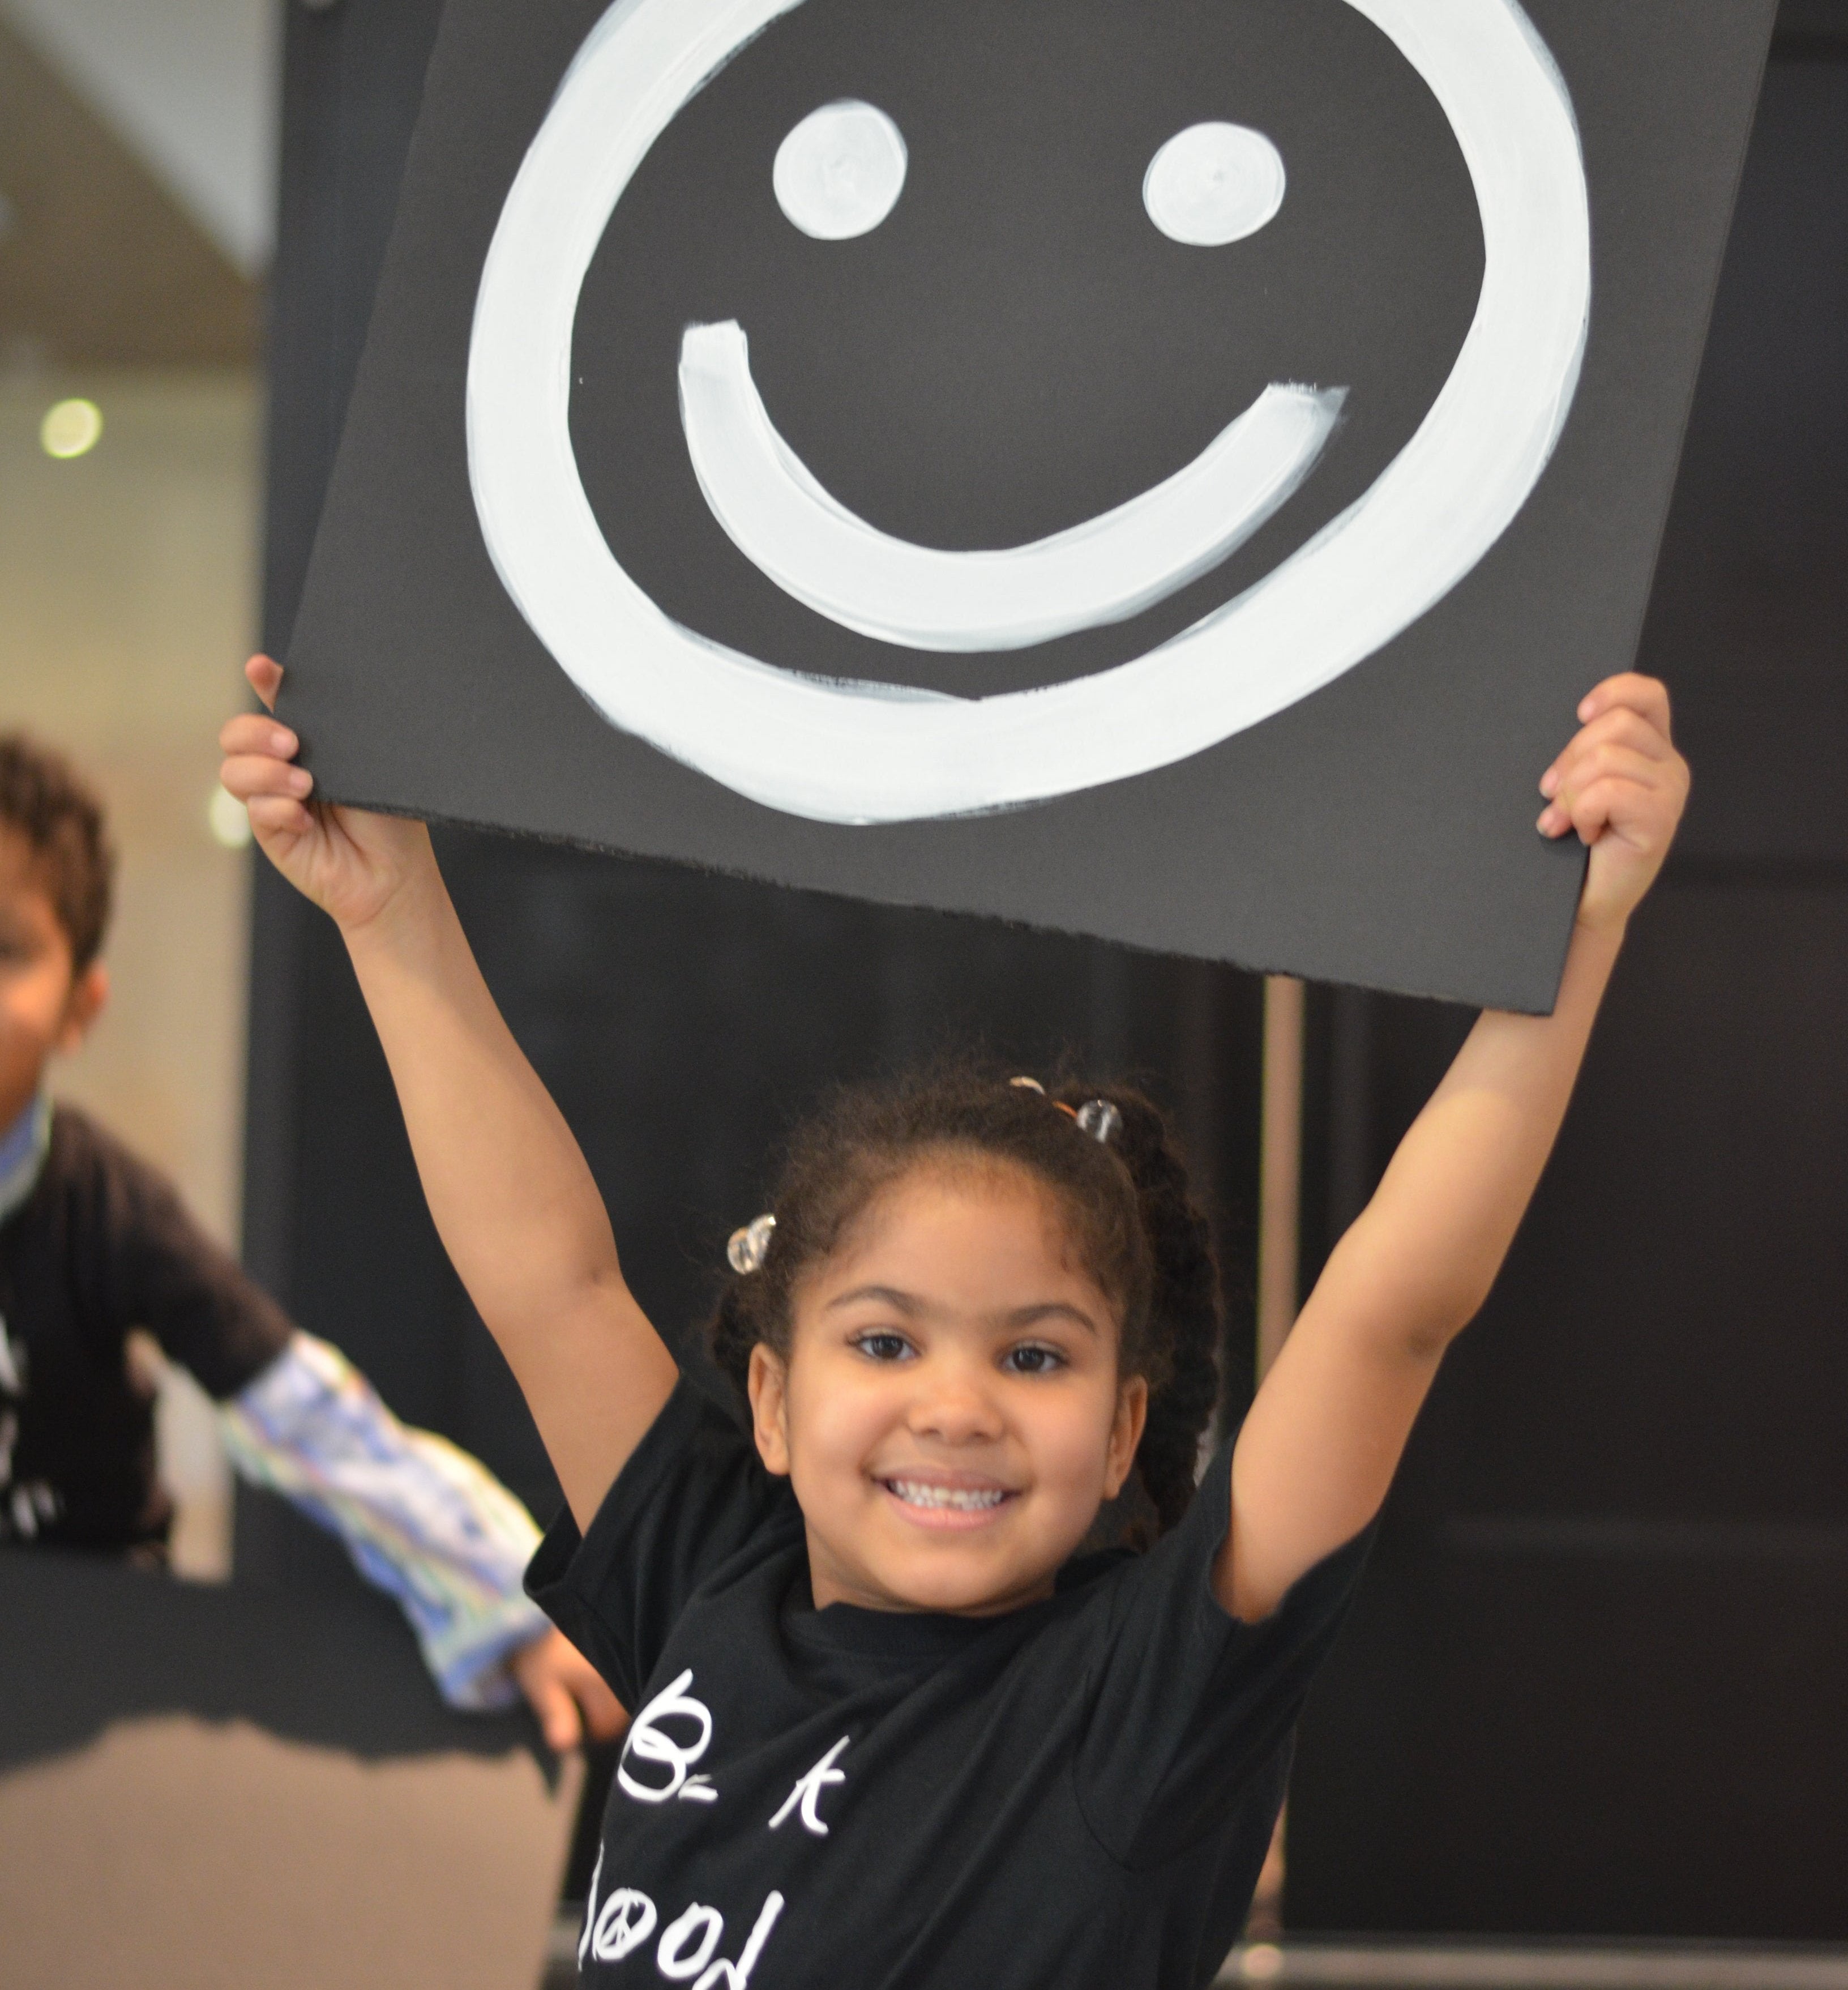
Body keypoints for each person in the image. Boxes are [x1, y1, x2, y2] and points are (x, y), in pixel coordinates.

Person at [221, 658, 1688, 1987]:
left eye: (1034, 1355)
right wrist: (388, 909)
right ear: (773, 1400)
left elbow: (1388, 1315)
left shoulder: (1142, 1705)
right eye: (885, 1341)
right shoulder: (714, 1577)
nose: (956, 1405)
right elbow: (551, 1282)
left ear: (1122, 1428)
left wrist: (1580, 927)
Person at [0, 732, 623, 1753]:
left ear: (80, 1006)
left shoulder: (108, 1209)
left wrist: (506, 1604)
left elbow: (307, 1418)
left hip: (85, 1666)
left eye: (5, 951)